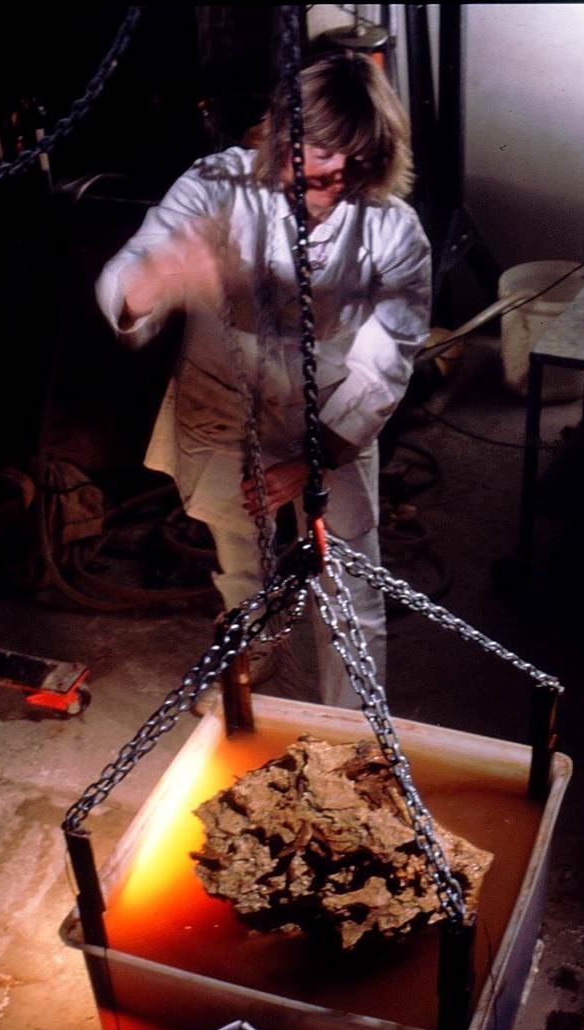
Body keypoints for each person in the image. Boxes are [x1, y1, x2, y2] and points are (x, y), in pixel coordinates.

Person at [96, 50, 431, 708]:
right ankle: (260, 689)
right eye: (319, 153)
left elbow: (386, 357)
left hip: (334, 416)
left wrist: (314, 462)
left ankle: (353, 727)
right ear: (280, 138)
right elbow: (131, 272)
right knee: (242, 565)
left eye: (355, 160)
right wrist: (146, 285)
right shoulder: (216, 185)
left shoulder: (394, 230)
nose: (335, 173)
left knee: (349, 582)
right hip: (224, 405)